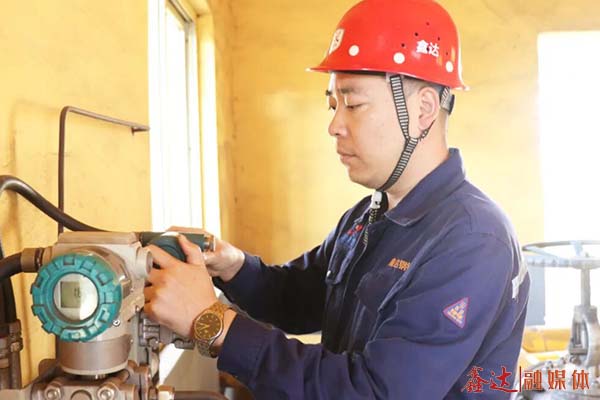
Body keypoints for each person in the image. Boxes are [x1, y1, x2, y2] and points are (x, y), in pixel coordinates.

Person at [143, 0, 530, 398]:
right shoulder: (370, 215)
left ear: (423, 110)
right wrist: (233, 267)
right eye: (333, 105)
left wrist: (212, 322)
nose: (334, 125)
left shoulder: (472, 240)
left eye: (354, 104)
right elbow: (298, 297)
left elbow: (374, 392)